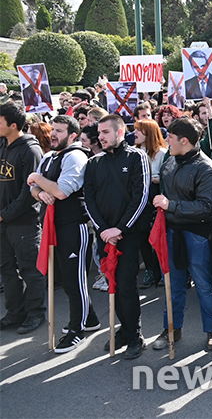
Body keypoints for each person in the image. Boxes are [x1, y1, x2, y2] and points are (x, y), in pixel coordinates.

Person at [151, 117, 212, 352]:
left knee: (205, 283)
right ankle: (171, 328)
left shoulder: (207, 169)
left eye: (171, 137)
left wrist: (169, 205)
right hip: (173, 232)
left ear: (184, 141)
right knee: (172, 284)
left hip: (199, 235)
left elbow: (206, 207)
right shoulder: (171, 162)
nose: (167, 141)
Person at [27, 116, 98, 353]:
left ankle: (76, 329)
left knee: (74, 280)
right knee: (65, 279)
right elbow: (33, 187)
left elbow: (60, 191)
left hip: (74, 227)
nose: (53, 134)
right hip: (53, 226)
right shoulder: (49, 156)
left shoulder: (75, 156)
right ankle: (90, 319)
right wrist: (39, 192)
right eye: (53, 130)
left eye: (59, 130)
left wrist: (38, 181)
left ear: (73, 135)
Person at [83, 115, 151, 359]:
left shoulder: (136, 157)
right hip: (105, 236)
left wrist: (120, 228)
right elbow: (88, 198)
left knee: (126, 286)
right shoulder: (94, 163)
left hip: (128, 236)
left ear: (120, 133)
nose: (100, 137)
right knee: (113, 285)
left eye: (105, 132)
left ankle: (135, 336)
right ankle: (125, 328)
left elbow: (141, 196)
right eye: (99, 133)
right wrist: (102, 229)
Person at [0, 102, 45, 335]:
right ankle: (14, 312)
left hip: (24, 222)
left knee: (30, 269)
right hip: (3, 223)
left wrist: (5, 214)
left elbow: (30, 193)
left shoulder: (31, 150)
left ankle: (35, 313)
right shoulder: (3, 145)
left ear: (13, 124)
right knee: (7, 269)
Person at [133, 119, 168, 288]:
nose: (135, 134)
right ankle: (149, 269)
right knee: (142, 236)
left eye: (139, 130)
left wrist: (156, 179)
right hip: (140, 198)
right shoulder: (134, 152)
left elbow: (167, 176)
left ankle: (162, 270)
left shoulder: (161, 153)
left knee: (158, 236)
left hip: (155, 197)